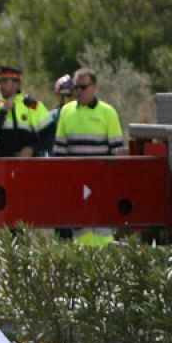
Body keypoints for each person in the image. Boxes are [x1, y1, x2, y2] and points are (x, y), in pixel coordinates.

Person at [54, 67, 125, 245]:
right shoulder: (66, 111)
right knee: (80, 232)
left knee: (103, 231)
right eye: (76, 88)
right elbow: (60, 151)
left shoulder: (108, 112)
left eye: (83, 87)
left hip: (102, 183)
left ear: (94, 87)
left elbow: (117, 152)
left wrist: (115, 184)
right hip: (75, 183)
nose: (78, 92)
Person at [0, 64, 50, 158]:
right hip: (0, 164)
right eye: (0, 81)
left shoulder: (34, 106)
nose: (1, 85)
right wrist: (3, 112)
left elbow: (48, 136)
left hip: (29, 164)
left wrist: (32, 149)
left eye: (5, 81)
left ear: (16, 83)